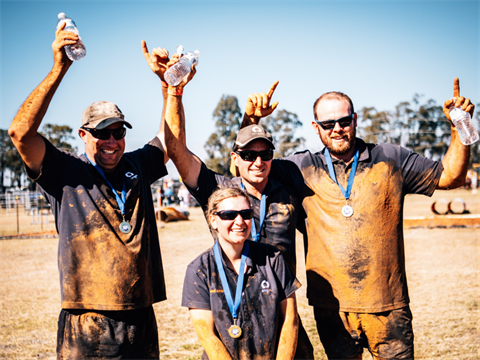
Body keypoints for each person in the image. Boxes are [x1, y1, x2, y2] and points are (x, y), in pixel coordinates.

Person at [244, 78, 474, 359]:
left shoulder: (391, 158)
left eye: (343, 121)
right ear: (316, 128)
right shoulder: (300, 167)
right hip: (332, 310)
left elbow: (452, 177)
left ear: (354, 120)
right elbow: (244, 163)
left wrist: (459, 126)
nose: (337, 129)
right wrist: (251, 119)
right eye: (328, 124)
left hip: (388, 306)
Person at [8, 24, 176, 359]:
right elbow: (20, 134)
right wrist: (60, 67)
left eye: (118, 132)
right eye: (103, 134)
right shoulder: (65, 171)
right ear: (83, 135)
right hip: (86, 319)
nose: (112, 142)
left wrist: (168, 85)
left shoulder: (138, 165)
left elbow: (169, 139)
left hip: (140, 313)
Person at [161, 69, 314, 357]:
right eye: (248, 156)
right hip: (230, 311)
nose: (257, 162)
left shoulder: (288, 191)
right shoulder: (219, 191)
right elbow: (177, 151)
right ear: (235, 159)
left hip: (279, 311)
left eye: (265, 155)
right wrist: (174, 91)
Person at [182, 187, 300, 359]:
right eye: (229, 215)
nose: (239, 221)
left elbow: (290, 321)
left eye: (246, 214)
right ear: (213, 220)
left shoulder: (273, 259)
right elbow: (207, 335)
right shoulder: (199, 270)